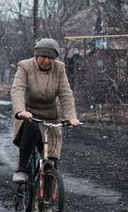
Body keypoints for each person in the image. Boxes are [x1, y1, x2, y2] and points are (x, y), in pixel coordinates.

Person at [10, 38, 80, 184]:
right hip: (29, 115)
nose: (47, 61)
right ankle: (22, 169)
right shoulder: (25, 66)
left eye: (51, 58)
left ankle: (48, 198)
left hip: (50, 117)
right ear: (36, 56)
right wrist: (20, 111)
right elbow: (17, 90)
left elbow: (65, 94)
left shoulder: (59, 68)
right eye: (44, 57)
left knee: (51, 162)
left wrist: (71, 117)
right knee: (31, 128)